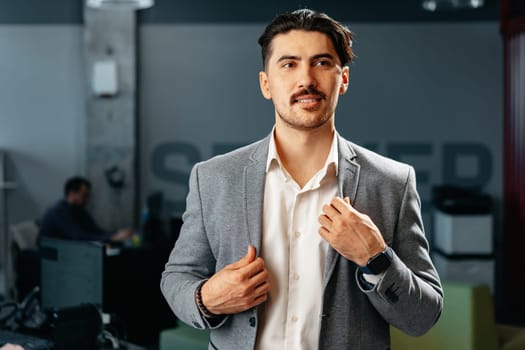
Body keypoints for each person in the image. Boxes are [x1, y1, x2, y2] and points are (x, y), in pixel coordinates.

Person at [161, 8, 443, 350]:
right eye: (289, 64)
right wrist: (207, 299)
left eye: (322, 63)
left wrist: (376, 256)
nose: (306, 79)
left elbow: (423, 317)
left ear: (344, 79)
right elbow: (176, 278)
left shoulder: (392, 183)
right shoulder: (214, 178)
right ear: (266, 83)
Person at [39, 176, 132, 242]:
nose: (87, 199)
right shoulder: (58, 211)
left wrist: (117, 233)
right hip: (51, 258)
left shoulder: (78, 210)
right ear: (72, 193)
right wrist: (112, 238)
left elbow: (96, 231)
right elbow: (78, 236)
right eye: (84, 195)